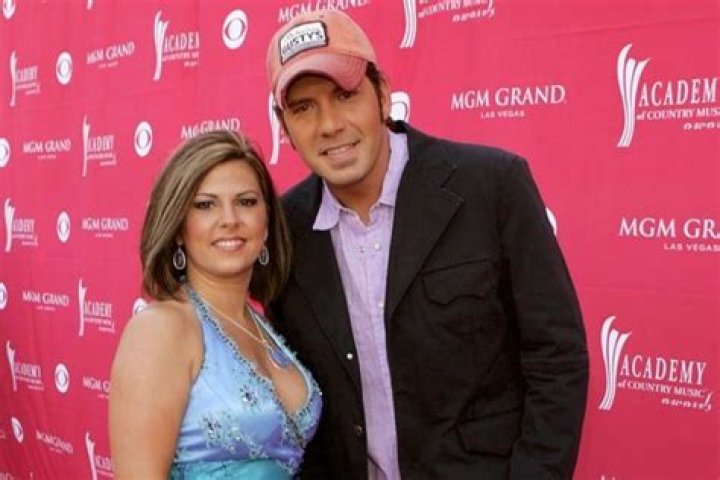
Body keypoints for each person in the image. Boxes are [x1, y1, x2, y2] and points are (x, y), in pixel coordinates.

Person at [265, 9, 588, 480]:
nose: (329, 124)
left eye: (345, 95)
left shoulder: (492, 186)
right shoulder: (282, 231)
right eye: (303, 108)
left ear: (382, 93)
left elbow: (557, 357)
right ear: (284, 126)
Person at [109, 130, 322, 479]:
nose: (230, 219)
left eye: (246, 202)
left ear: (267, 222)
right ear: (179, 227)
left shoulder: (263, 325)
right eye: (205, 205)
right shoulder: (160, 329)